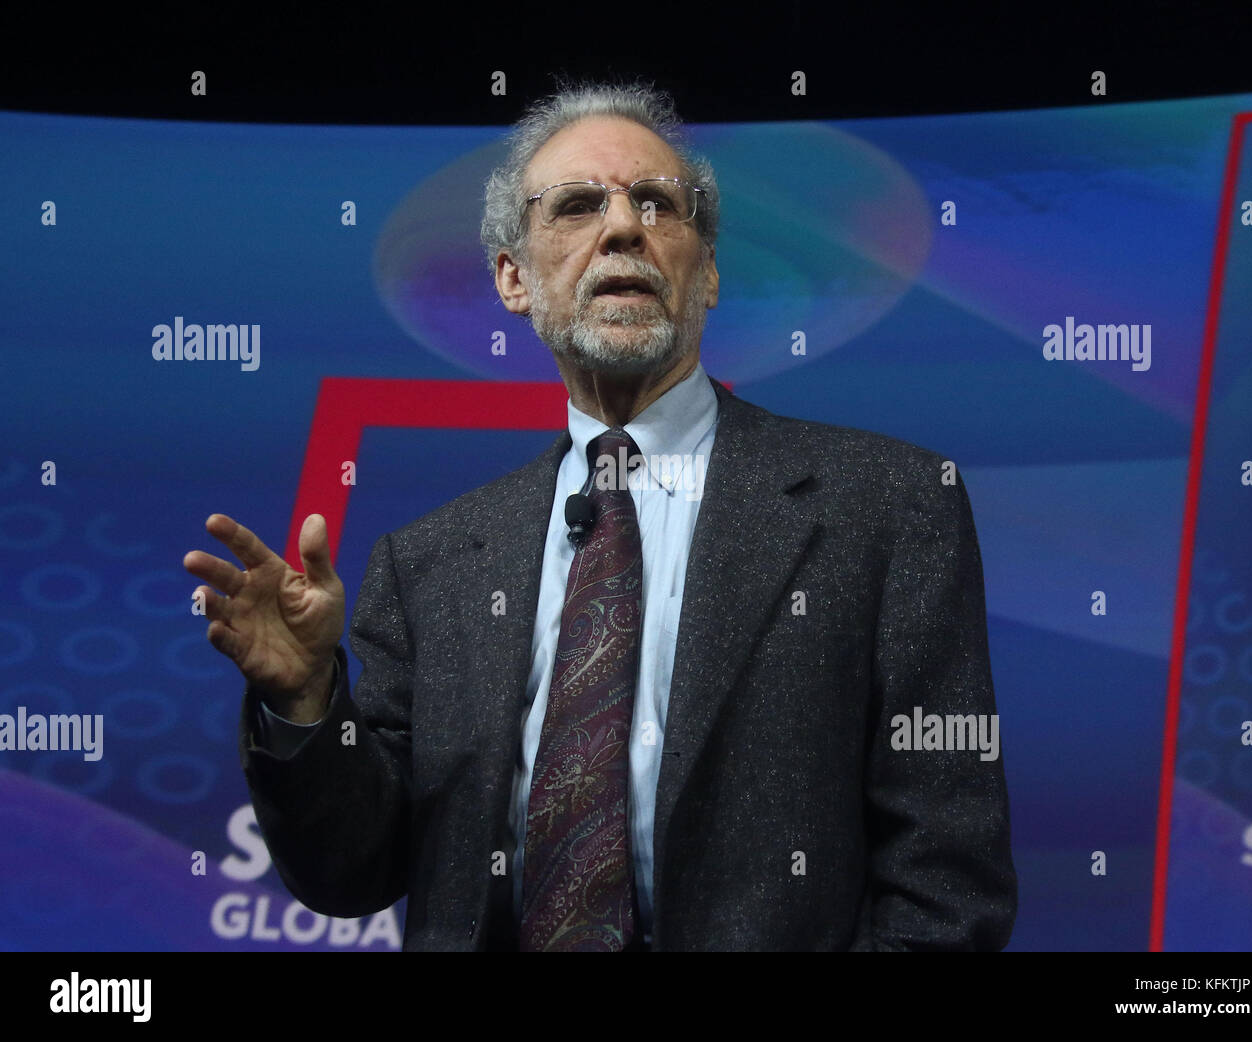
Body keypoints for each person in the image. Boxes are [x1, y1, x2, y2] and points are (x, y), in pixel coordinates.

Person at [184, 81, 1016, 951]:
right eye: (578, 206)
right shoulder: (429, 565)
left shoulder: (885, 505)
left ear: (711, 271)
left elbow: (946, 884)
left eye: (658, 203)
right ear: (514, 279)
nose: (625, 227)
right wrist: (306, 701)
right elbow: (353, 869)